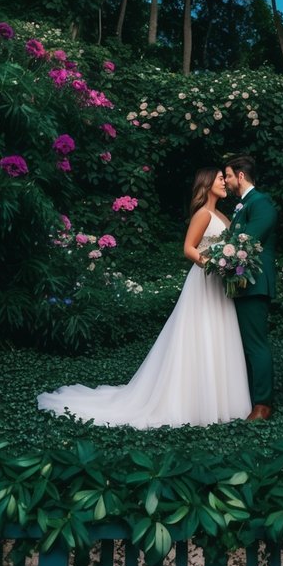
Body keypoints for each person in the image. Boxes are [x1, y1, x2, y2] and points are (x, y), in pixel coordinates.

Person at [36, 168, 251, 428]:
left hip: (219, 284)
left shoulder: (222, 216)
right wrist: (214, 265)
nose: (223, 183)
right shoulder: (203, 214)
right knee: (200, 333)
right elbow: (189, 249)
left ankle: (221, 400)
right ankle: (193, 400)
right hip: (205, 281)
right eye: (219, 178)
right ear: (206, 184)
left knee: (219, 333)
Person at [223, 154, 277, 421]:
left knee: (255, 344)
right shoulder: (244, 205)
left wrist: (218, 254)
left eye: (229, 176)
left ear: (241, 176)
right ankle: (250, 397)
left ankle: (263, 405)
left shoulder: (261, 202)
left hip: (254, 282)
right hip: (242, 283)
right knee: (245, 344)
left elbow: (247, 241)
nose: (227, 181)